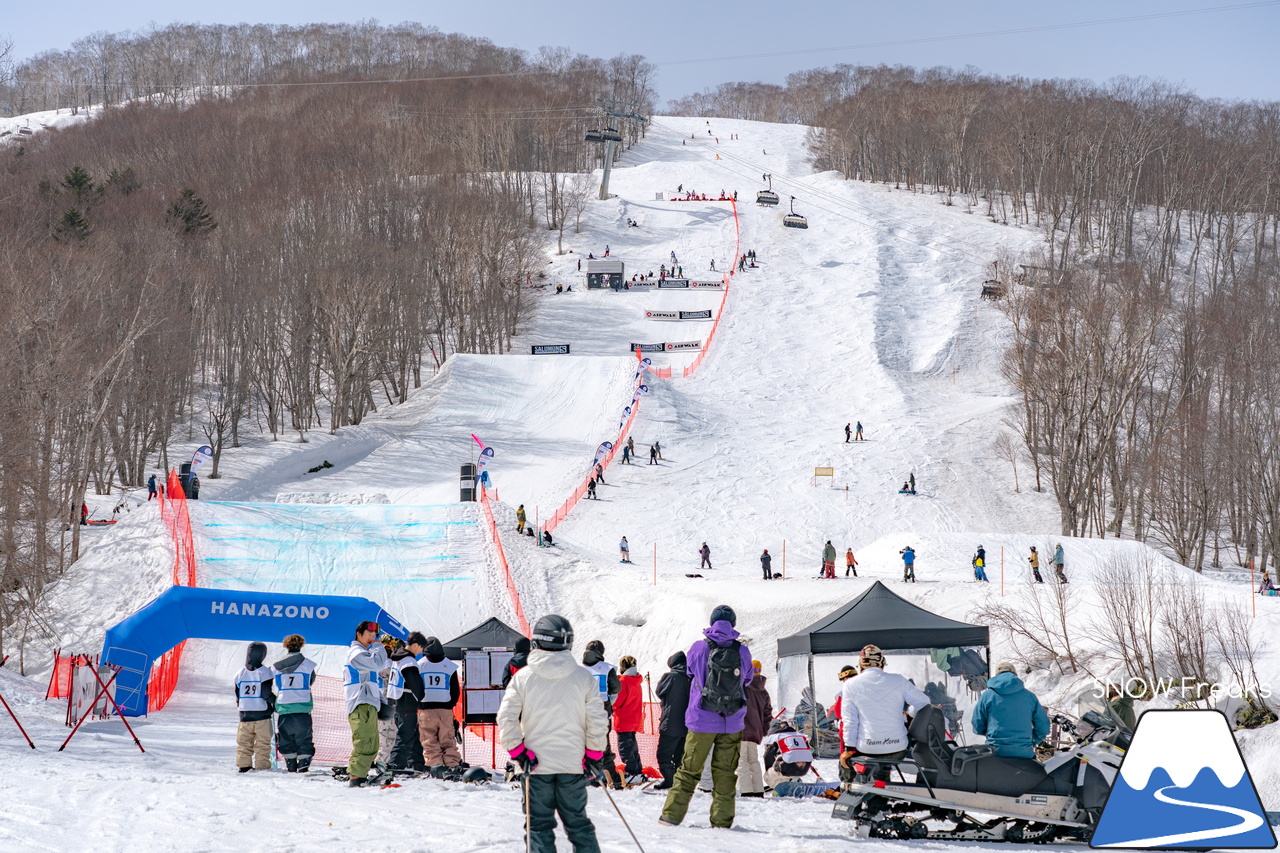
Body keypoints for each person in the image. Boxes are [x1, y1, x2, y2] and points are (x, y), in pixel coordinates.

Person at [497, 614, 608, 853]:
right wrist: (594, 756)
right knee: (578, 825)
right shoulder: (583, 677)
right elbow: (598, 721)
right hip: (573, 764)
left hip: (535, 765)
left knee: (539, 826)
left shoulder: (522, 678)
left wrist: (518, 751)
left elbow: (506, 718)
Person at [660, 604, 754, 829]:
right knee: (724, 772)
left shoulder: (699, 647)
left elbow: (691, 672)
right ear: (733, 623)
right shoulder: (742, 650)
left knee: (689, 768)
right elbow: (748, 679)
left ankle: (671, 816)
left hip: (701, 719)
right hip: (732, 721)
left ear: (712, 622)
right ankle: (722, 821)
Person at [839, 644, 931, 781]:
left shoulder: (850, 685)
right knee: (884, 767)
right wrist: (909, 714)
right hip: (898, 748)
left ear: (860, 665)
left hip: (868, 749)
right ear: (882, 663)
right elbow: (923, 702)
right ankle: (883, 782)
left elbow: (850, 721)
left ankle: (854, 790)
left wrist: (849, 749)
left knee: (847, 763)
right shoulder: (898, 680)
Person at [970, 662, 1050, 760]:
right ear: (1015, 675)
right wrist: (1032, 741)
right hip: (1024, 754)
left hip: (995, 753)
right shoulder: (1030, 697)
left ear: (996, 677)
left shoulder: (987, 696)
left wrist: (992, 736)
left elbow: (977, 725)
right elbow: (1043, 727)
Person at [343, 620, 389, 787]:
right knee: (364, 741)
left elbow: (373, 679)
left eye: (375, 635)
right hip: (360, 701)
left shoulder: (364, 653)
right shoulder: (355, 652)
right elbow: (378, 663)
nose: (373, 637)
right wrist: (379, 646)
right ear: (359, 634)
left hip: (368, 702)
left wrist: (382, 700)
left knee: (372, 742)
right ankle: (356, 778)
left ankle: (360, 775)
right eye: (369, 634)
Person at [272, 634, 317, 773]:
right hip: (303, 707)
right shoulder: (308, 665)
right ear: (301, 645)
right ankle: (303, 762)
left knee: (285, 737)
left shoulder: (276, 667)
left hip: (284, 707)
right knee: (304, 737)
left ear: (286, 646)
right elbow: (311, 680)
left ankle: (290, 762)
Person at [416, 636, 462, 772]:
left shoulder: (420, 664)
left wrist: (419, 704)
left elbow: (415, 686)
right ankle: (452, 764)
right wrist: (450, 705)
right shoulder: (449, 665)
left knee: (429, 741)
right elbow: (455, 689)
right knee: (448, 740)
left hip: (426, 710)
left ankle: (435, 766)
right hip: (445, 709)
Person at [582, 640, 623, 789]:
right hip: (602, 713)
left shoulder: (578, 669)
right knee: (603, 745)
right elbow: (616, 687)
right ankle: (609, 775)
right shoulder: (606, 668)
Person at [387, 632, 426, 772]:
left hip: (396, 701)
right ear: (415, 645)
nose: (421, 652)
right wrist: (422, 699)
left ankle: (416, 763)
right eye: (421, 648)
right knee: (406, 734)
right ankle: (395, 764)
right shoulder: (408, 661)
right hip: (406, 703)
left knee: (414, 735)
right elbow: (415, 684)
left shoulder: (398, 658)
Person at [234, 641, 275, 773]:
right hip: (262, 713)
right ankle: (262, 766)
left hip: (245, 714)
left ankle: (244, 764)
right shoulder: (265, 672)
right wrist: (275, 703)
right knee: (263, 743)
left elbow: (237, 694)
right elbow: (266, 693)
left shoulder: (240, 673)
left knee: (244, 743)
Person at [654, 651, 690, 790]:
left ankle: (669, 780)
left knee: (664, 753)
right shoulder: (693, 677)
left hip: (670, 723)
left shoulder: (670, 676)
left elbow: (659, 691)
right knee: (680, 755)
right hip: (687, 723)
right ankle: (679, 780)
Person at [737, 659, 772, 798]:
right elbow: (767, 714)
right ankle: (758, 789)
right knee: (753, 760)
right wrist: (764, 730)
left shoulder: (741, 686)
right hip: (755, 732)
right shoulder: (763, 691)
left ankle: (746, 790)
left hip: (740, 729)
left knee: (741, 761)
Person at [614, 656, 646, 785]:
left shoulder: (623, 681)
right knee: (632, 746)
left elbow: (617, 701)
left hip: (623, 719)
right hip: (634, 719)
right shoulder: (636, 680)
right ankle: (637, 770)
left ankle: (632, 773)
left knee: (625, 749)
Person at [762, 719, 815, 793]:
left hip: (787, 768)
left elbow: (768, 756)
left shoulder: (775, 737)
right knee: (785, 774)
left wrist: (769, 770)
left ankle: (779, 789)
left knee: (768, 776)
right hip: (804, 769)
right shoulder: (800, 736)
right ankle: (794, 781)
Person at [827, 664, 859, 781]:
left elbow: (840, 713)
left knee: (847, 759)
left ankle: (848, 784)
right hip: (863, 732)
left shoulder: (843, 693)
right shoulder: (864, 689)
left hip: (848, 732)